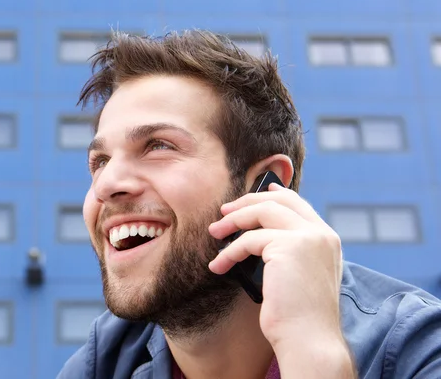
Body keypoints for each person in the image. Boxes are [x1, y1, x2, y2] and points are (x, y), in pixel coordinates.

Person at [57, 30, 441, 379]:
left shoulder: (419, 349)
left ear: (263, 187)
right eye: (100, 161)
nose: (106, 185)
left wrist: (315, 357)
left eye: (158, 146)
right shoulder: (103, 363)